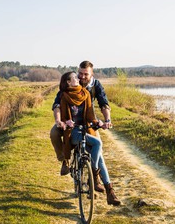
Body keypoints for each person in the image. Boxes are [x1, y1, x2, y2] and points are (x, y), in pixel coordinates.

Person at [50, 61, 121, 206]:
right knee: (54, 133)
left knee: (98, 152)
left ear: (91, 74)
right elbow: (57, 105)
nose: (81, 77)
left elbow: (103, 103)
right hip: (68, 123)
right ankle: (65, 160)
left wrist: (106, 120)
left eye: (85, 74)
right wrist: (59, 121)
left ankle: (108, 189)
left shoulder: (94, 87)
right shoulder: (66, 90)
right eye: (79, 74)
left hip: (87, 124)